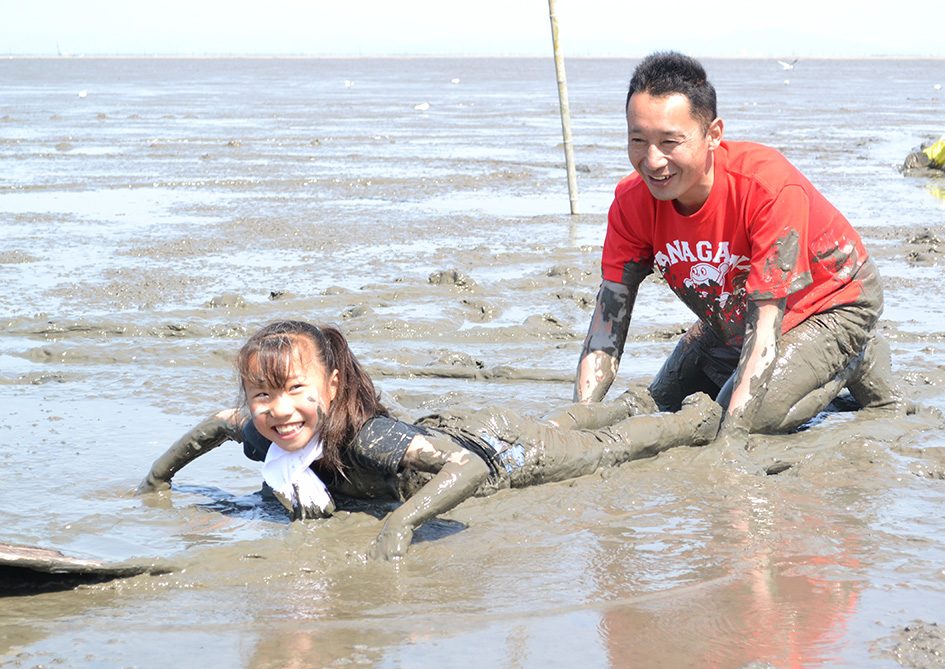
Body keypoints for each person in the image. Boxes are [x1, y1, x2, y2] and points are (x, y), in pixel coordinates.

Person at [137, 320, 721, 560]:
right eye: (261, 395)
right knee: (563, 424)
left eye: (294, 389)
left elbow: (466, 469)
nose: (278, 410)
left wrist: (400, 524)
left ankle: (686, 419)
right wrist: (158, 479)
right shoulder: (275, 431)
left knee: (603, 449)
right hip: (456, 426)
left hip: (502, 452)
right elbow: (216, 425)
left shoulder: (369, 441)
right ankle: (630, 401)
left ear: (333, 385)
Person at [570, 51, 901, 444]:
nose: (653, 161)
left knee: (744, 417)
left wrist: (729, 441)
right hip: (733, 311)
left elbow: (765, 325)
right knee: (663, 402)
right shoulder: (631, 201)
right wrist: (580, 418)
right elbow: (608, 320)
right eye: (638, 140)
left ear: (713, 135)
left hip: (832, 300)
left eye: (670, 142)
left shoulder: (767, 187)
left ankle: (853, 353)